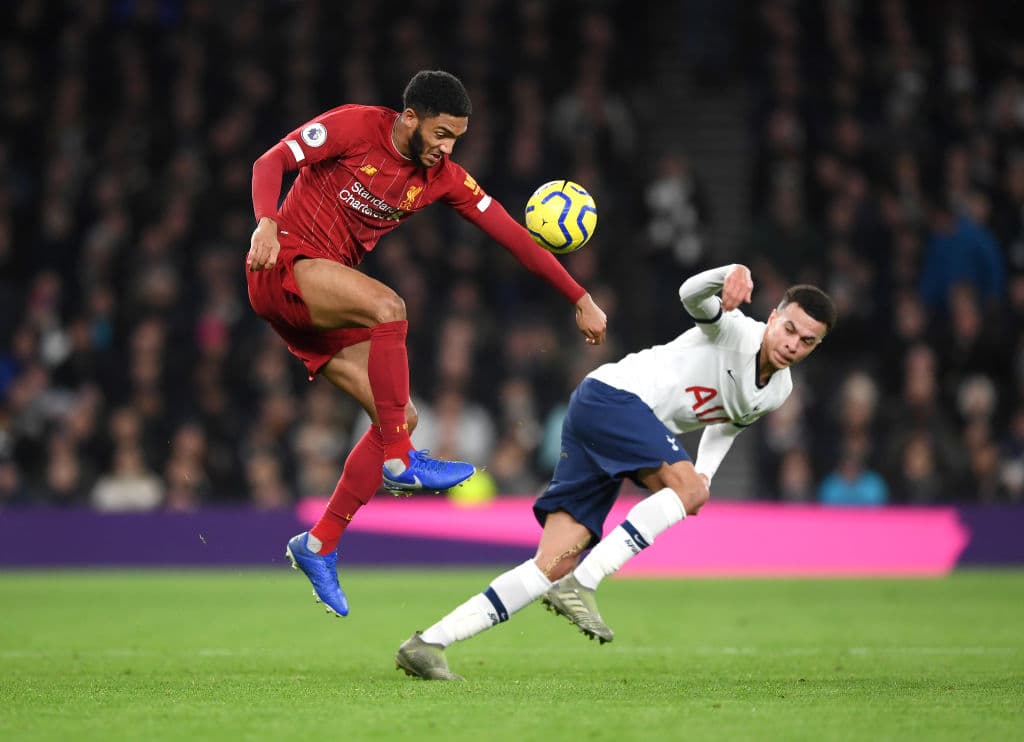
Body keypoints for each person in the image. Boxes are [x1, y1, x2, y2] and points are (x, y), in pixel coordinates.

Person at [245, 70, 607, 618]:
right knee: (390, 309)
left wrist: (578, 296)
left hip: (314, 302)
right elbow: (268, 162)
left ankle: (318, 544)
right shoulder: (355, 126)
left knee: (401, 415)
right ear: (409, 117)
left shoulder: (443, 177)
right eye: (440, 133)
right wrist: (266, 223)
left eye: (456, 137)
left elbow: (512, 235)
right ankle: (399, 463)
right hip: (283, 264)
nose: (446, 147)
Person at [395, 263, 835, 679]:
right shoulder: (734, 329)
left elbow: (728, 422)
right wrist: (730, 273)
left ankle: (429, 643)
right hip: (616, 399)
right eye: (790, 328)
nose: (793, 343)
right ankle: (583, 583)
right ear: (773, 317)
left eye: (807, 341)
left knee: (553, 561)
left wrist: (704, 475)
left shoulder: (778, 390)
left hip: (604, 418)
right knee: (681, 497)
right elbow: (690, 295)